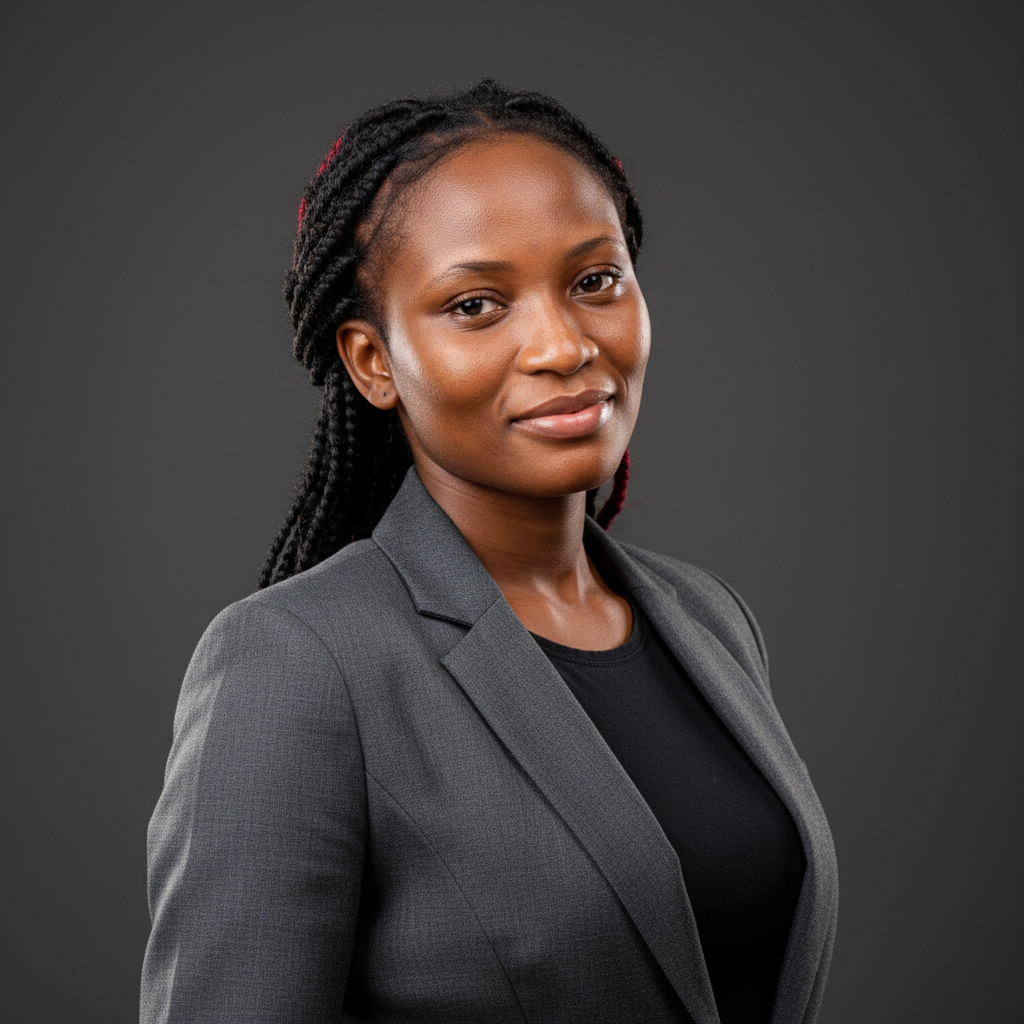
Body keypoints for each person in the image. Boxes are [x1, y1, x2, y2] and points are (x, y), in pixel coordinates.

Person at [141, 80, 837, 1024]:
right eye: (476, 304)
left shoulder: (711, 621)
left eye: (595, 281)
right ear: (373, 361)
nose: (562, 346)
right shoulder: (300, 663)